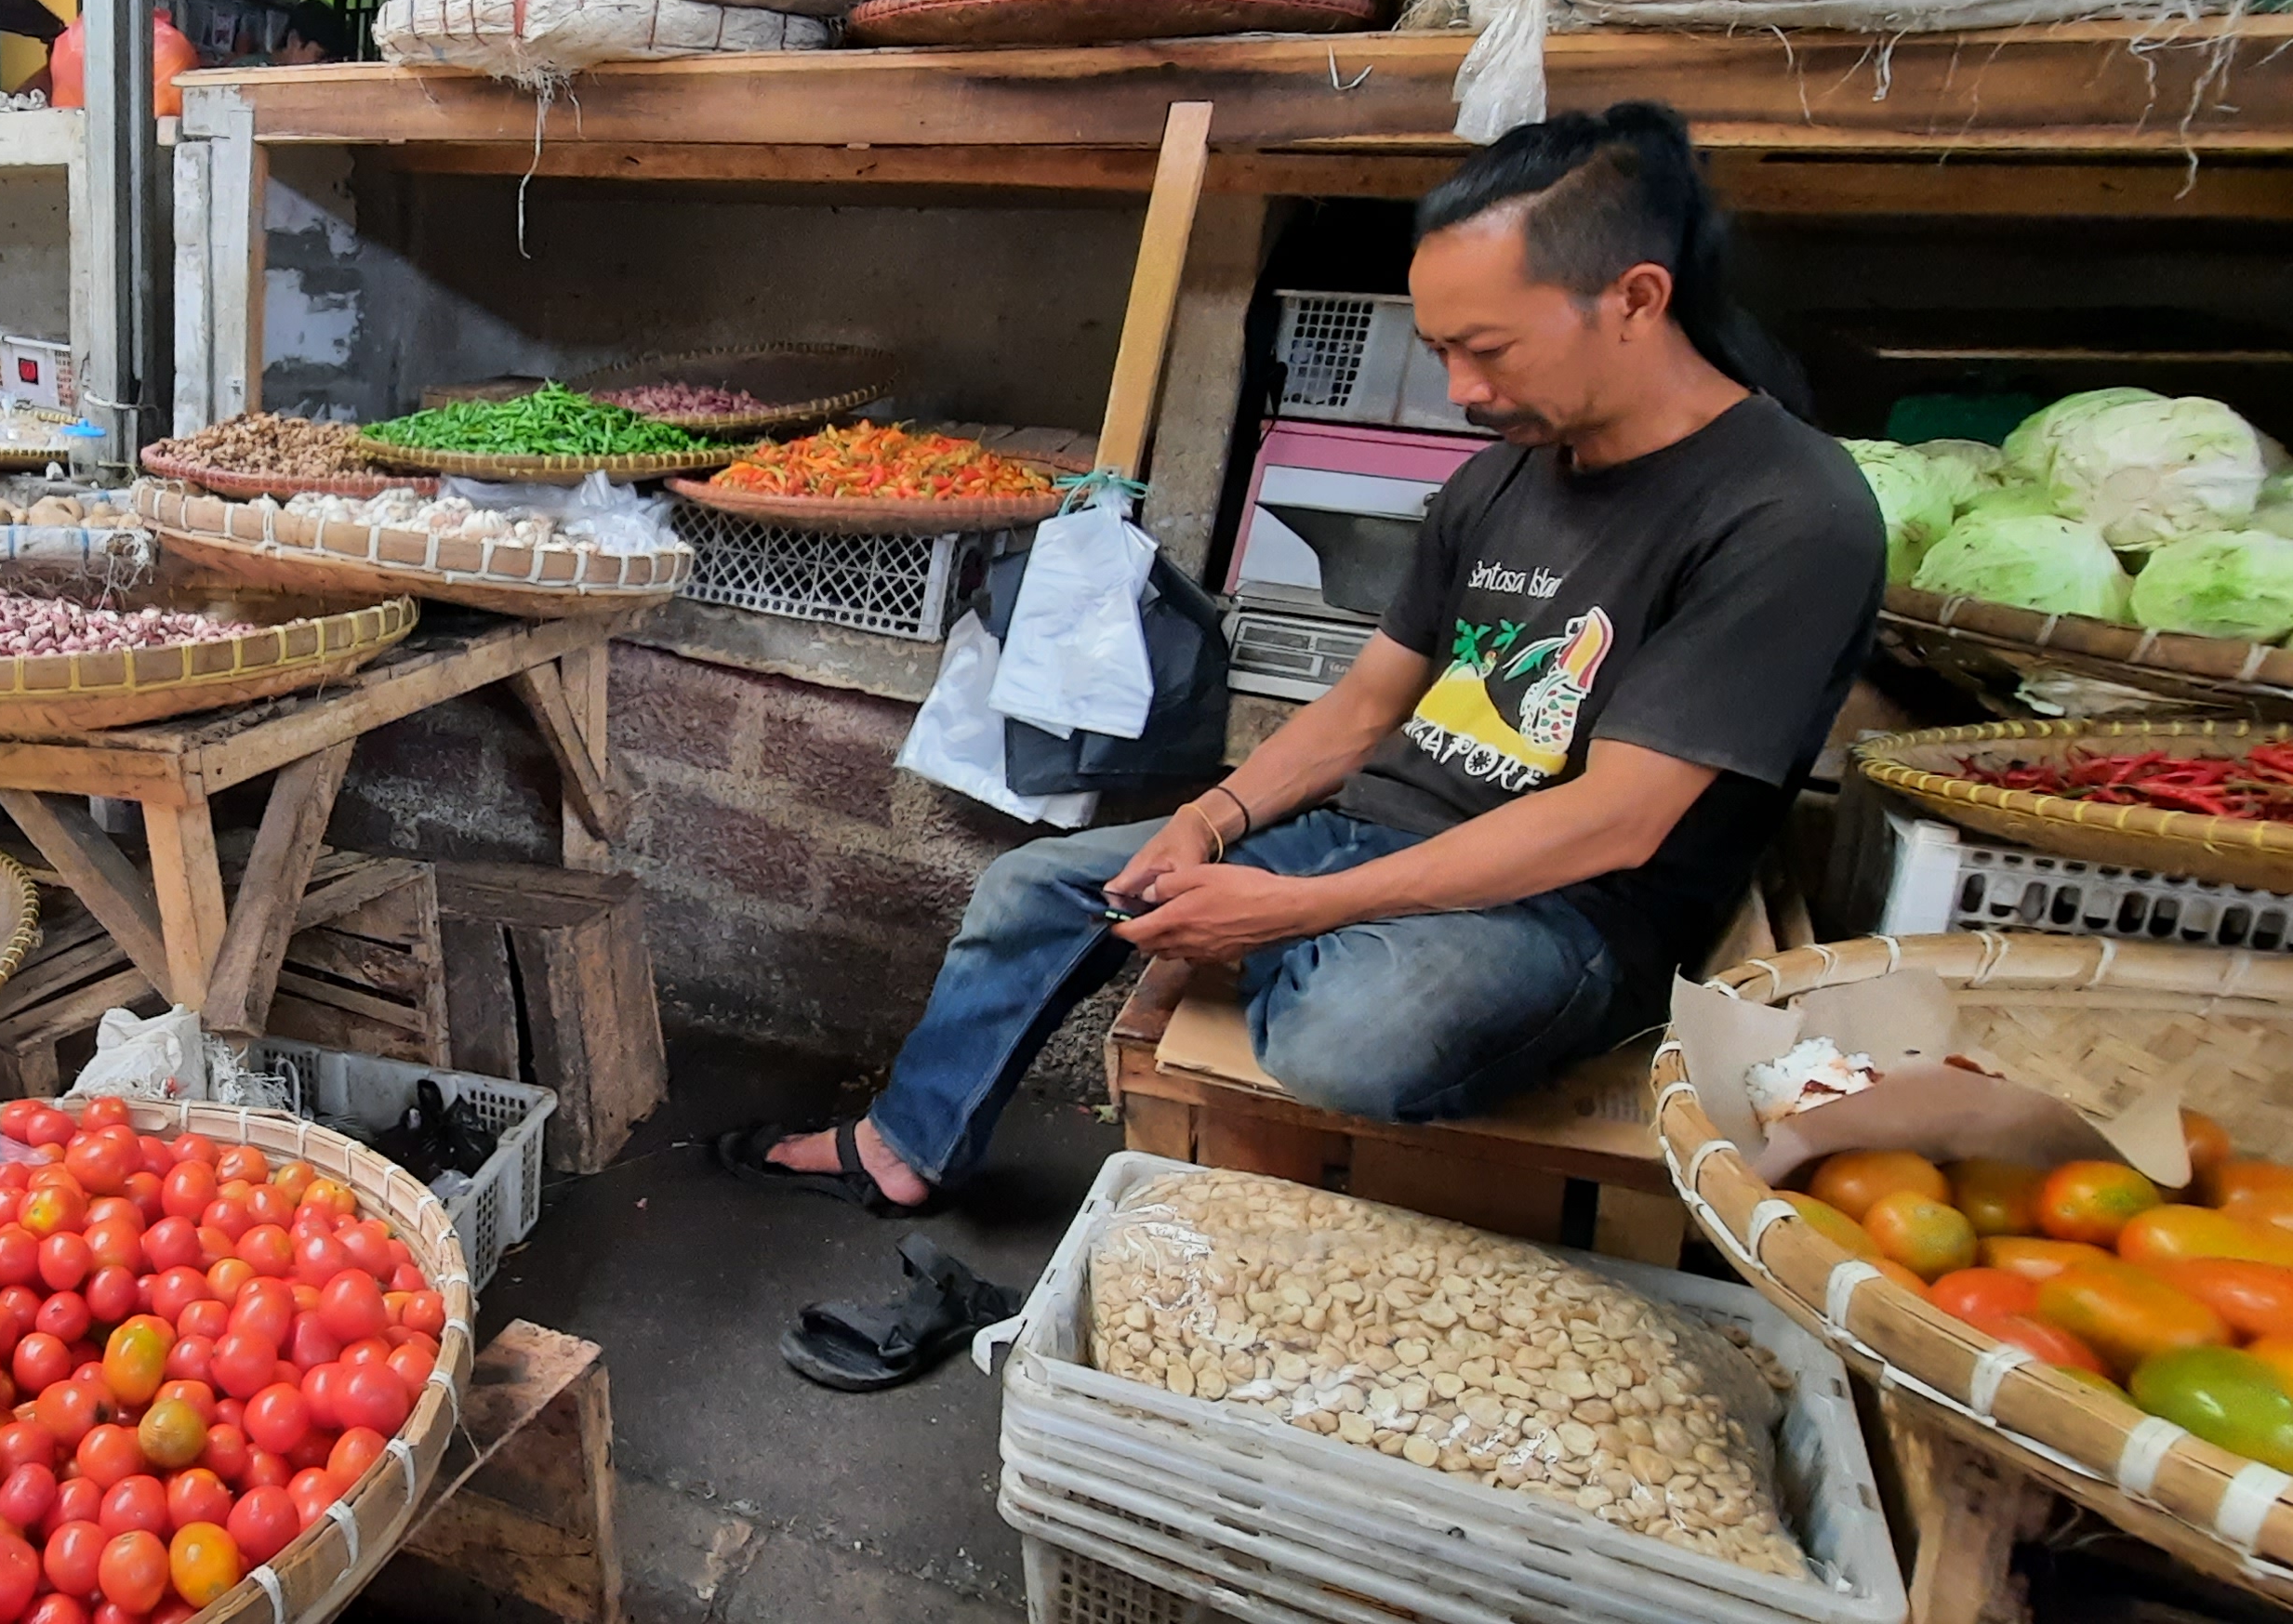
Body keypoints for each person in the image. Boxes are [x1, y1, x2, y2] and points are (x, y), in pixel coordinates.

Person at [732, 103, 1883, 1214]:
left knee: (1353, 1036)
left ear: (1635, 298)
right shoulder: (1504, 476)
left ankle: (1323, 955)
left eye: (1486, 350)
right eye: (1439, 351)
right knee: (1033, 885)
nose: (1462, 393)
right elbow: (1369, 703)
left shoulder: (1787, 513)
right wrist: (1214, 823)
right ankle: (906, 1145)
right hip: (1377, 838)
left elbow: (1614, 823)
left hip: (1569, 909)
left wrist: (1286, 910)